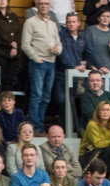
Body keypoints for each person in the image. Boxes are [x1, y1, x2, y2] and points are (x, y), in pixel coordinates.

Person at [22, 0, 62, 133]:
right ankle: (34, 127)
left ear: (50, 6)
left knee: (46, 98)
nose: (43, 6)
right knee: (36, 96)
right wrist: (36, 58)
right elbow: (25, 44)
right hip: (38, 63)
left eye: (46, 3)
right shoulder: (30, 22)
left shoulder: (53, 24)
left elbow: (59, 43)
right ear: (37, 6)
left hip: (51, 62)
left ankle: (39, 125)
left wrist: (58, 50)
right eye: (41, 4)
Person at [79, 101, 110, 172]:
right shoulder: (92, 125)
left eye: (108, 110)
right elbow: (97, 144)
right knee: (107, 150)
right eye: (102, 110)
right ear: (98, 112)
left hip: (101, 154)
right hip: (87, 156)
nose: (105, 112)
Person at [0, 0, 23, 92]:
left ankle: (8, 100)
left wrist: (15, 46)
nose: (2, 1)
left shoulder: (14, 16)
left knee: (11, 81)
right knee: (1, 82)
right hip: (0, 53)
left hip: (14, 54)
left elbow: (19, 32)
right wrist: (9, 43)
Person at [84, 8, 110, 74]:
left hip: (108, 71)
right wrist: (90, 65)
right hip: (93, 70)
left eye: (108, 16)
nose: (105, 18)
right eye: (103, 16)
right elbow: (86, 50)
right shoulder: (90, 31)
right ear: (98, 18)